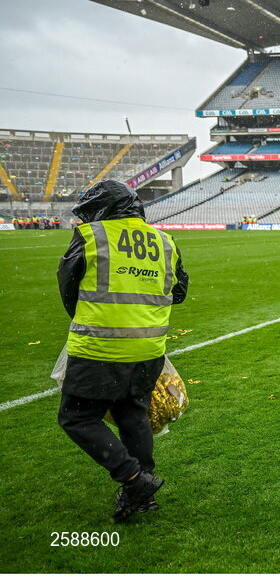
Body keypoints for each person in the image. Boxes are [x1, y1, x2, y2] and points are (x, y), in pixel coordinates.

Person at [56, 180, 189, 522]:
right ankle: (140, 498)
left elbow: (68, 287)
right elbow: (180, 290)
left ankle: (133, 477)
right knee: (133, 416)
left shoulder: (91, 236)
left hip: (100, 345)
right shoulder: (164, 240)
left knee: (77, 417)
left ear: (103, 209)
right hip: (149, 347)